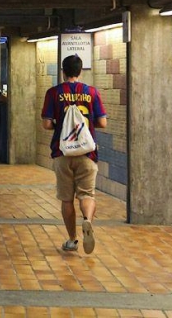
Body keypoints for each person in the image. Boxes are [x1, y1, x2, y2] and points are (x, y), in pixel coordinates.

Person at [41, 55, 107, 254]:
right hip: (87, 153)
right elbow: (102, 122)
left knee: (67, 199)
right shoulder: (91, 92)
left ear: (63, 71)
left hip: (63, 152)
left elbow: (46, 124)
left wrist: (62, 126)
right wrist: (84, 127)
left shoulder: (53, 93)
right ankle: (87, 220)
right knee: (87, 194)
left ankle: (72, 239)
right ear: (80, 71)